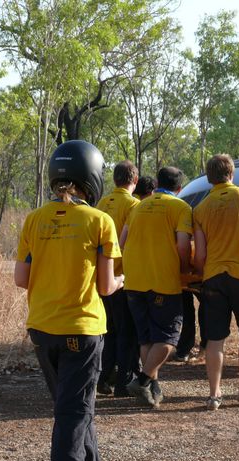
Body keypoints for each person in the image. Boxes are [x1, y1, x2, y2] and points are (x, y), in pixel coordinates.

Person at [14, 140, 123, 461]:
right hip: (82, 329)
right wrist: (122, 280)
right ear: (91, 176)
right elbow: (107, 287)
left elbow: (21, 278)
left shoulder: (34, 219)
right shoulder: (99, 221)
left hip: (42, 330)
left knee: (74, 409)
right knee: (73, 415)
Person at [193, 153, 239, 411]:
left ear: (209, 178)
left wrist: (206, 273)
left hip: (213, 279)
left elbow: (200, 255)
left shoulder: (200, 209)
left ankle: (214, 395)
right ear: (232, 174)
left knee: (215, 339)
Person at [121, 167, 193, 407]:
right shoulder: (181, 208)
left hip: (133, 281)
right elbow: (183, 246)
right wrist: (184, 269)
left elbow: (122, 242)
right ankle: (141, 380)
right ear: (179, 189)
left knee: (147, 338)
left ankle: (151, 386)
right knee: (169, 337)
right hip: (163, 280)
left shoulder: (138, 206)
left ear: (156, 184)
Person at [96, 160, 141, 396]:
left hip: (102, 277)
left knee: (108, 330)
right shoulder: (134, 205)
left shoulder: (101, 203)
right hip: (123, 277)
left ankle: (105, 378)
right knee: (127, 332)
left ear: (115, 180)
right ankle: (124, 382)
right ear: (134, 180)